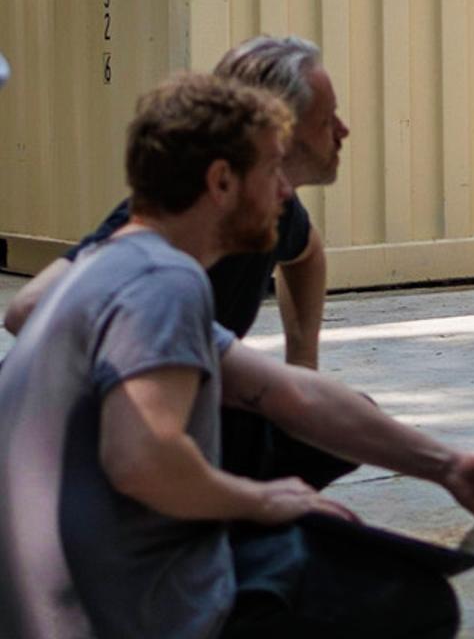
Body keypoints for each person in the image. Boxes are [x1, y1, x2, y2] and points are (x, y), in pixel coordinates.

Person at [0, 72, 474, 639]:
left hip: (79, 593)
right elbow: (142, 459)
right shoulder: (164, 282)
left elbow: (290, 394)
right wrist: (261, 499)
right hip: (128, 615)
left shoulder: (114, 266)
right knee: (407, 601)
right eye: (273, 170)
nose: (285, 191)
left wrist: (448, 466)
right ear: (222, 182)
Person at [4, 35, 350, 486]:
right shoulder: (166, 222)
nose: (343, 130)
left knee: (332, 426)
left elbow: (307, 254)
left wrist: (301, 365)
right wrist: (170, 355)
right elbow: (27, 309)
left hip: (182, 412)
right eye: (327, 120)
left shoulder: (271, 204)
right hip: (77, 448)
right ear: (280, 131)